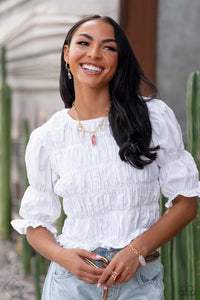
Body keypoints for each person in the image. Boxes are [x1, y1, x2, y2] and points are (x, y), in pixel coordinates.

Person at [11, 15, 200, 299]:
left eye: (108, 47)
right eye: (84, 43)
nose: (94, 54)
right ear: (67, 54)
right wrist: (65, 258)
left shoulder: (154, 118)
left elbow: (186, 204)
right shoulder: (47, 137)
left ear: (119, 59)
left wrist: (136, 250)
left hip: (139, 278)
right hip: (70, 281)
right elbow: (36, 224)